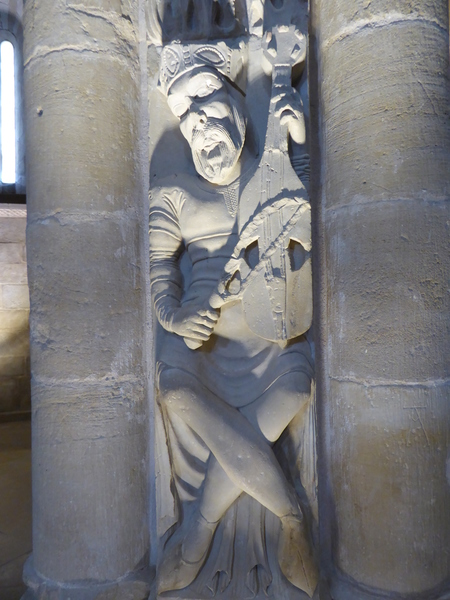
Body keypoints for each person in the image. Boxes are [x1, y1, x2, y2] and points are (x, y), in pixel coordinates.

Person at [149, 40, 318, 598]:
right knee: (176, 392)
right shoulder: (172, 193)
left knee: (294, 390)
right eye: (187, 117)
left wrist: (296, 138)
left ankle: (200, 529)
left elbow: (299, 203)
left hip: (270, 328)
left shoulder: (269, 170)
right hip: (201, 342)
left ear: (239, 105)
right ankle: (290, 516)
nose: (200, 126)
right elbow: (159, 269)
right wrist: (176, 318)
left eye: (208, 105)